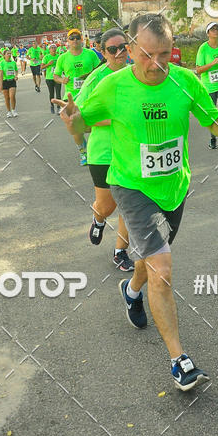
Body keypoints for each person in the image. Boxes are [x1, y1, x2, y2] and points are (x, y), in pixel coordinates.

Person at [55, 13, 218, 391]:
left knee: (148, 259)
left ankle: (131, 291)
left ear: (172, 51)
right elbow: (82, 124)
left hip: (174, 188)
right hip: (131, 187)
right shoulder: (112, 87)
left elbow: (214, 125)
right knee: (162, 267)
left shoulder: (185, 80)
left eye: (164, 54)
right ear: (130, 50)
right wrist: (72, 120)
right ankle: (180, 361)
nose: (156, 64)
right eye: (146, 55)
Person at [72, 28, 134, 272]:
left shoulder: (137, 74)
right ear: (103, 52)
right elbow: (80, 116)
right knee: (107, 206)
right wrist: (115, 121)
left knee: (129, 204)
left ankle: (120, 251)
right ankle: (98, 218)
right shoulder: (96, 79)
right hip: (103, 152)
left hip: (130, 151)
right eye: (112, 49)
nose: (119, 53)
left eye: (123, 47)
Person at [53, 29, 100, 165]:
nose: (75, 40)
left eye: (77, 38)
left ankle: (93, 149)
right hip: (72, 98)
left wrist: (90, 77)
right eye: (72, 38)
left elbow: (99, 69)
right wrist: (62, 80)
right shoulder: (63, 58)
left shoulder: (90, 54)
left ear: (81, 39)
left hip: (91, 95)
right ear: (67, 41)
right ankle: (83, 152)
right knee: (76, 129)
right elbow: (55, 75)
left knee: (92, 126)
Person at [195, 22, 218, 150]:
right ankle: (213, 138)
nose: (215, 31)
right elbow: (199, 70)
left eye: (217, 29)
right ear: (208, 33)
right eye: (212, 29)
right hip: (208, 87)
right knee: (211, 114)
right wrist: (213, 63)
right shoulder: (203, 48)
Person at [0, 47, 18, 118]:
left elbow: (16, 70)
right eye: (7, 53)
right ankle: (9, 112)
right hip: (5, 81)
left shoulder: (13, 62)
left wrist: (16, 76)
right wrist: (1, 85)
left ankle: (13, 110)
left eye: (10, 53)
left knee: (12, 96)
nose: (9, 55)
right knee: (7, 98)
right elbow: (1, 74)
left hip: (12, 81)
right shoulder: (2, 63)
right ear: (4, 55)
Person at [41, 44, 61, 114]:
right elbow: (42, 67)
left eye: (54, 47)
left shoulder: (59, 57)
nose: (53, 49)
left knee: (58, 93)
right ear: (49, 49)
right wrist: (48, 64)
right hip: (49, 78)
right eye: (52, 48)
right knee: (51, 93)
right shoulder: (46, 57)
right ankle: (52, 106)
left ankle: (59, 108)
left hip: (58, 77)